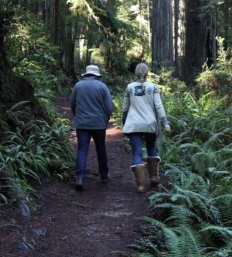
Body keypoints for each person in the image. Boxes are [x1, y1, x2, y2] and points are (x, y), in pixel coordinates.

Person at [121, 63, 170, 193]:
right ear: (147, 73)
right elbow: (159, 106)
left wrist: (124, 121)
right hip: (150, 124)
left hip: (134, 124)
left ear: (135, 72)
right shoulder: (153, 87)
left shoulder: (130, 87)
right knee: (151, 148)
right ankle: (154, 177)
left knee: (137, 152)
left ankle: (141, 185)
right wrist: (165, 122)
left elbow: (125, 108)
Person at [69, 64, 114, 191]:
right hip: (99, 123)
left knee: (82, 149)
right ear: (96, 75)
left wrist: (77, 116)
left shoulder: (78, 86)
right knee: (100, 148)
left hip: (82, 124)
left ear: (86, 74)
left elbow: (72, 103)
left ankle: (80, 177)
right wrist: (106, 118)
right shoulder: (102, 86)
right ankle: (104, 175)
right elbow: (109, 107)